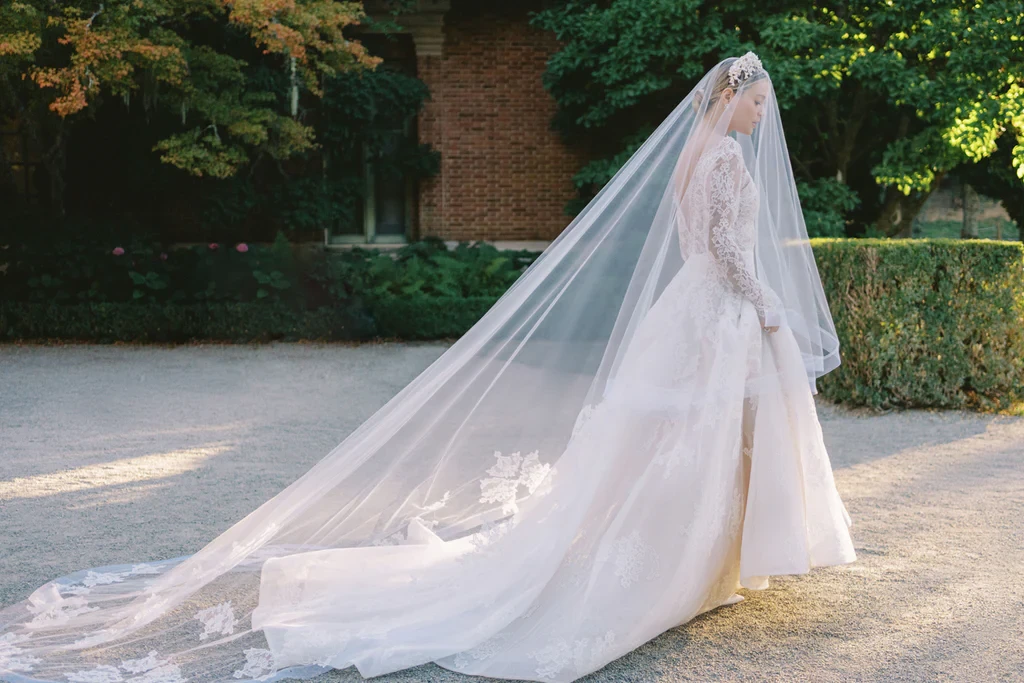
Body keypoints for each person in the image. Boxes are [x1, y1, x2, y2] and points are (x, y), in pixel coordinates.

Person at [0, 52, 855, 683]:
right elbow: (730, 253)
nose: (761, 116)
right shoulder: (730, 159)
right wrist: (765, 305)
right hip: (720, 310)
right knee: (702, 437)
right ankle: (696, 567)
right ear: (738, 96)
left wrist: (731, 291)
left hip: (689, 308)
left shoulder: (687, 155)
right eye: (760, 102)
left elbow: (689, 245)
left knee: (667, 438)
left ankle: (698, 562)